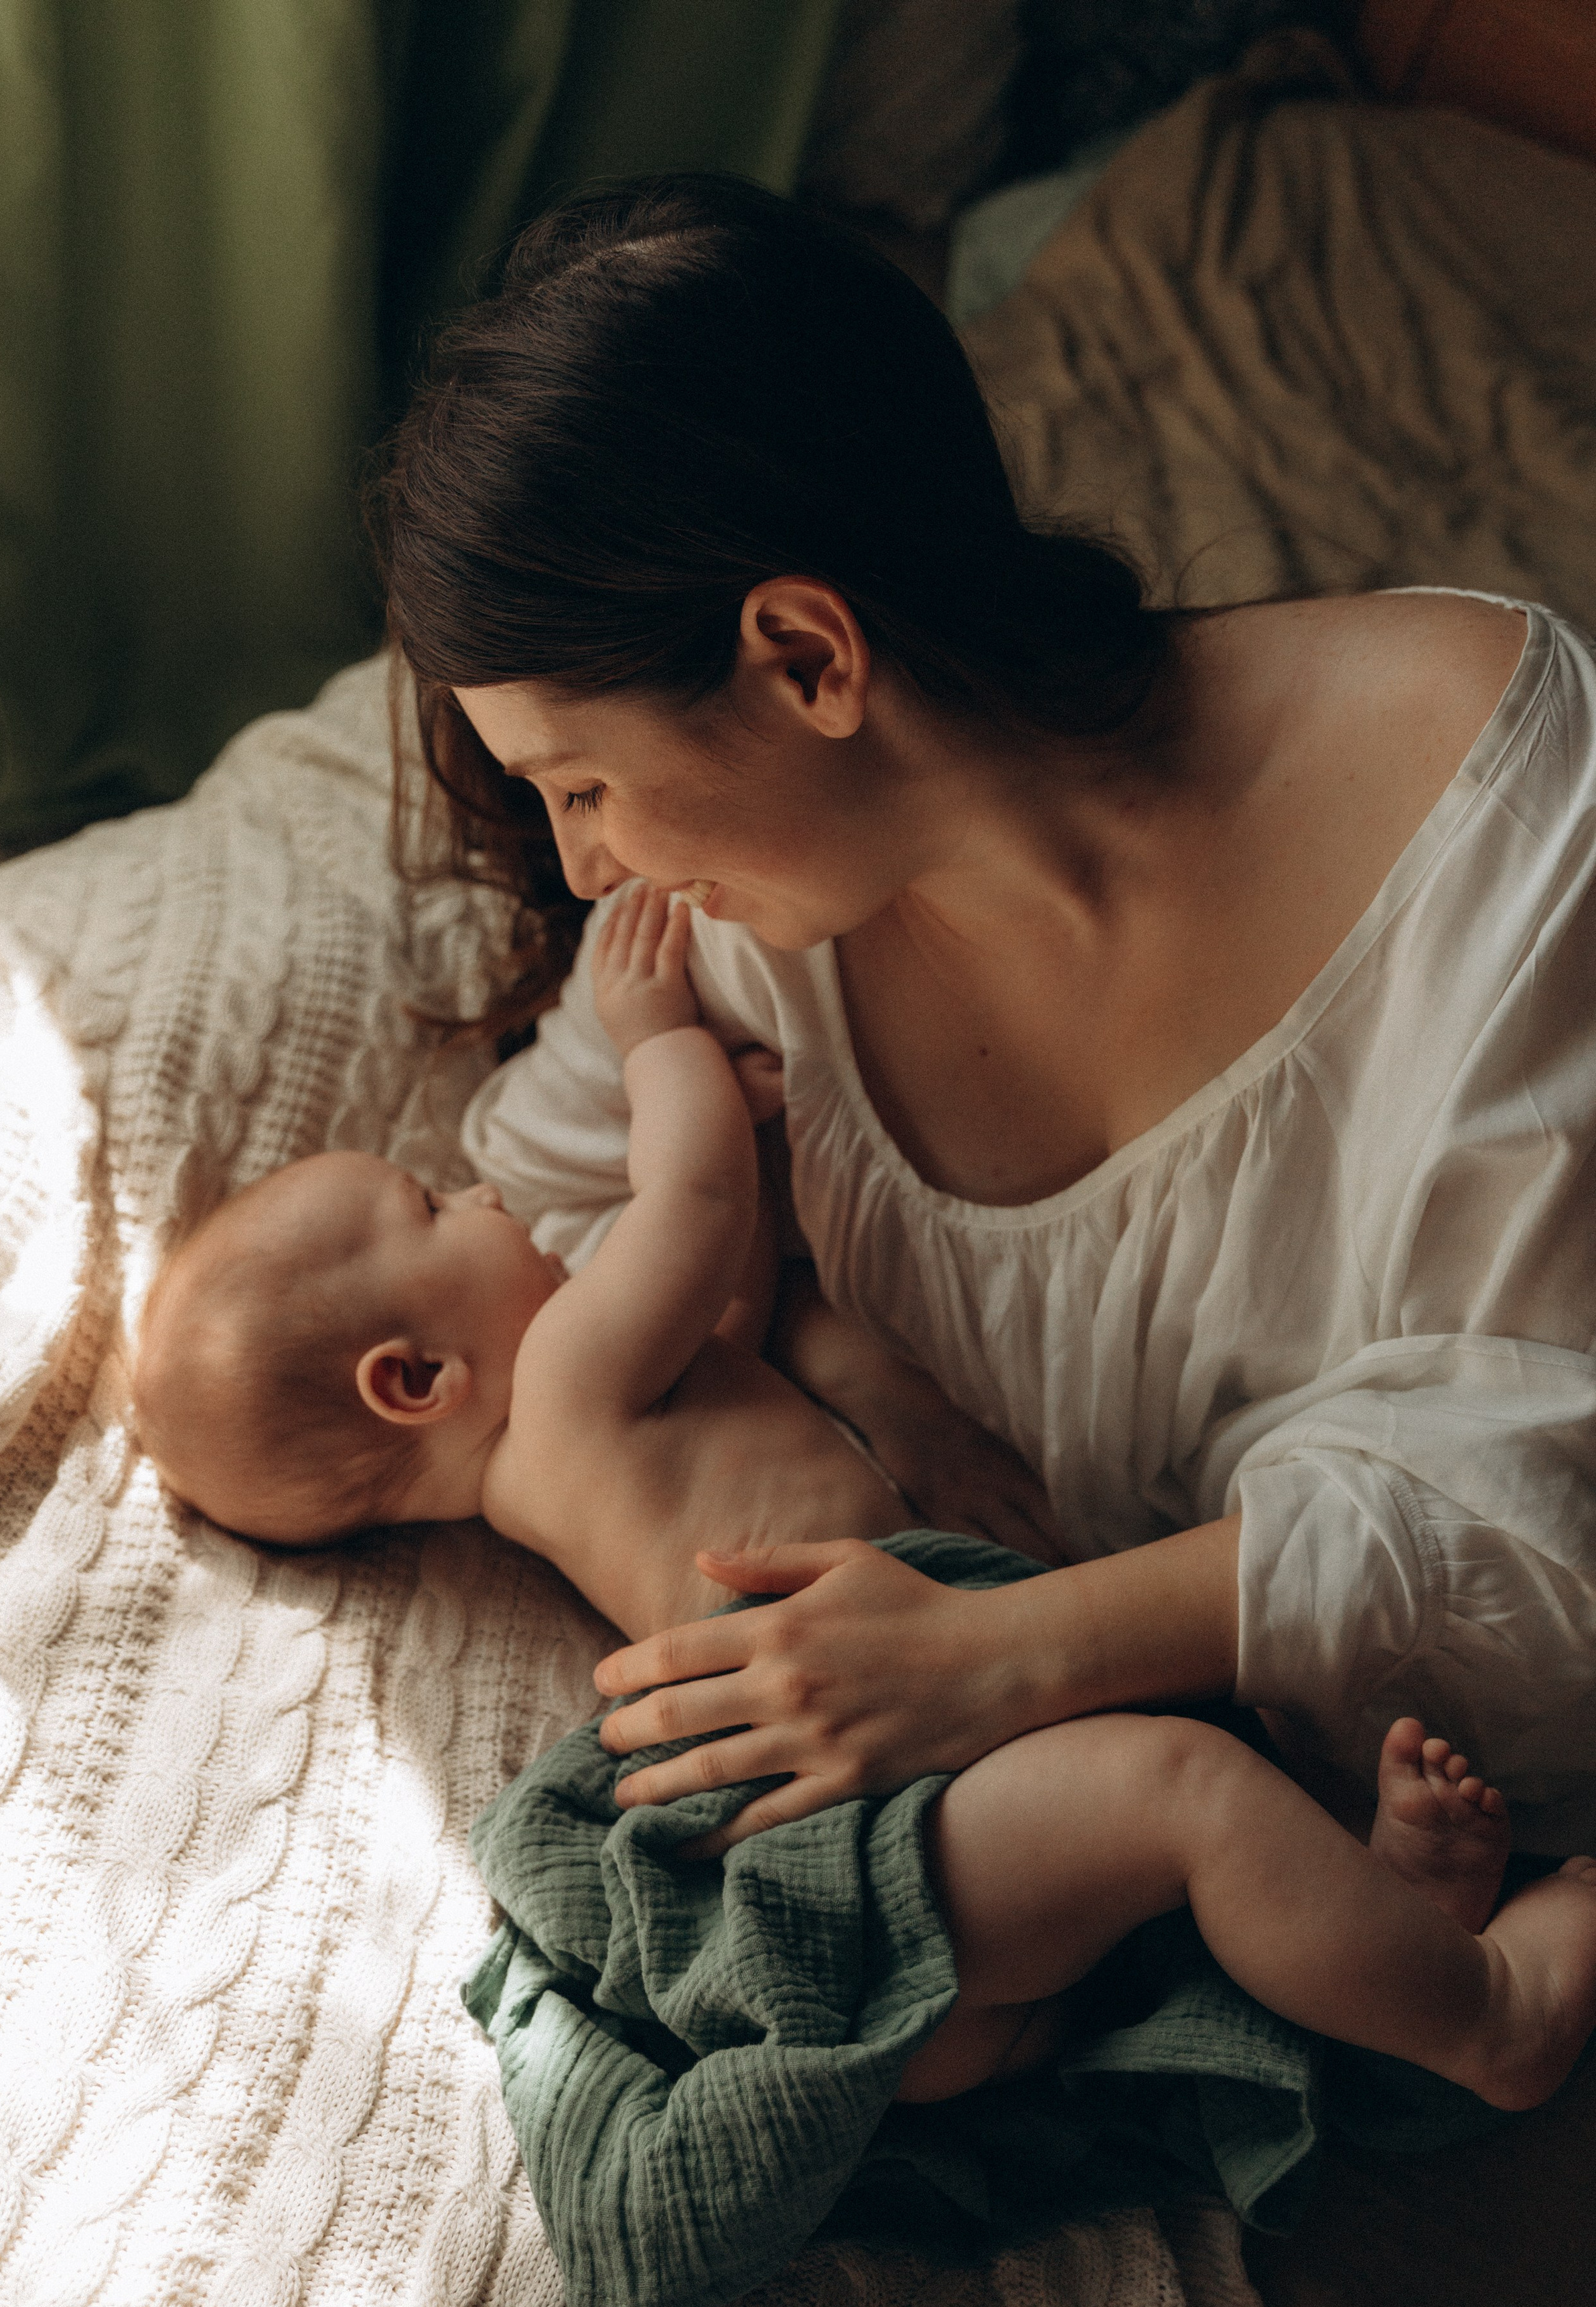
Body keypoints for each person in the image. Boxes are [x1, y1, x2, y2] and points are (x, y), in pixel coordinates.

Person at [376, 171, 1596, 1857]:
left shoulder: (1495, 808)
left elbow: (1552, 1534)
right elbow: (561, 1217)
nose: (585, 869)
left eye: (585, 786)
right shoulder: (735, 931)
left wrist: (1008, 1649)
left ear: (805, 657)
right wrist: (851, 1363)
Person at [131, 880, 1596, 2120]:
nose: (485, 1196)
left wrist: (748, 1151)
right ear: (414, 1379)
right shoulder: (567, 1380)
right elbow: (690, 1215)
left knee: (1198, 1785)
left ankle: (1378, 1896)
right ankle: (1484, 2020)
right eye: (432, 1209)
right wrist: (662, 1053)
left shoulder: (578, 1443)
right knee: (1189, 1793)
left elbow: (736, 1289)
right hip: (887, 1825)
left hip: (920, 1828)